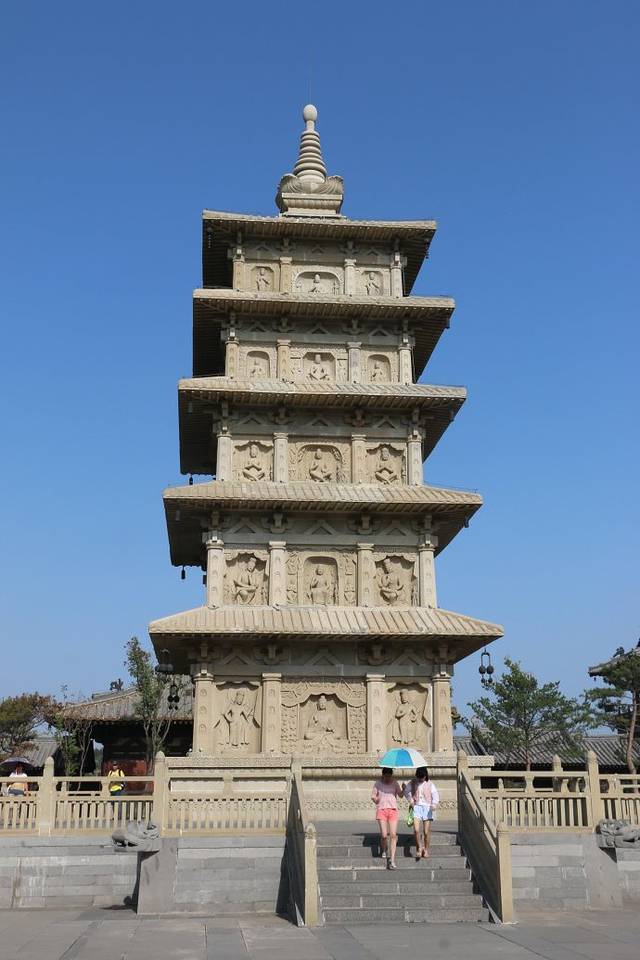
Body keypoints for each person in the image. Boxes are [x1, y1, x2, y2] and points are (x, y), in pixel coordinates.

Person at [404, 766, 439, 859]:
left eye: (422, 777)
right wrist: (411, 801)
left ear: (425, 776)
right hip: (416, 807)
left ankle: (426, 849)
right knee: (416, 830)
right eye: (419, 777)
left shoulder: (430, 784)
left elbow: (435, 795)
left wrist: (434, 804)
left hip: (427, 808)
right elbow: (406, 791)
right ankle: (419, 848)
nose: (420, 779)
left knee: (426, 832)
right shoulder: (413, 782)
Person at [371, 767, 403, 869]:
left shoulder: (395, 783)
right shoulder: (378, 784)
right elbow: (373, 796)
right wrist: (376, 799)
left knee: (393, 835)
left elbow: (400, 795)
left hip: (393, 810)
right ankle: (384, 849)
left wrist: (404, 789)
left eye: (390, 776)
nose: (388, 778)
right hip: (382, 810)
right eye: (386, 776)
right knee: (384, 835)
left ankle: (392, 860)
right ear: (383, 775)